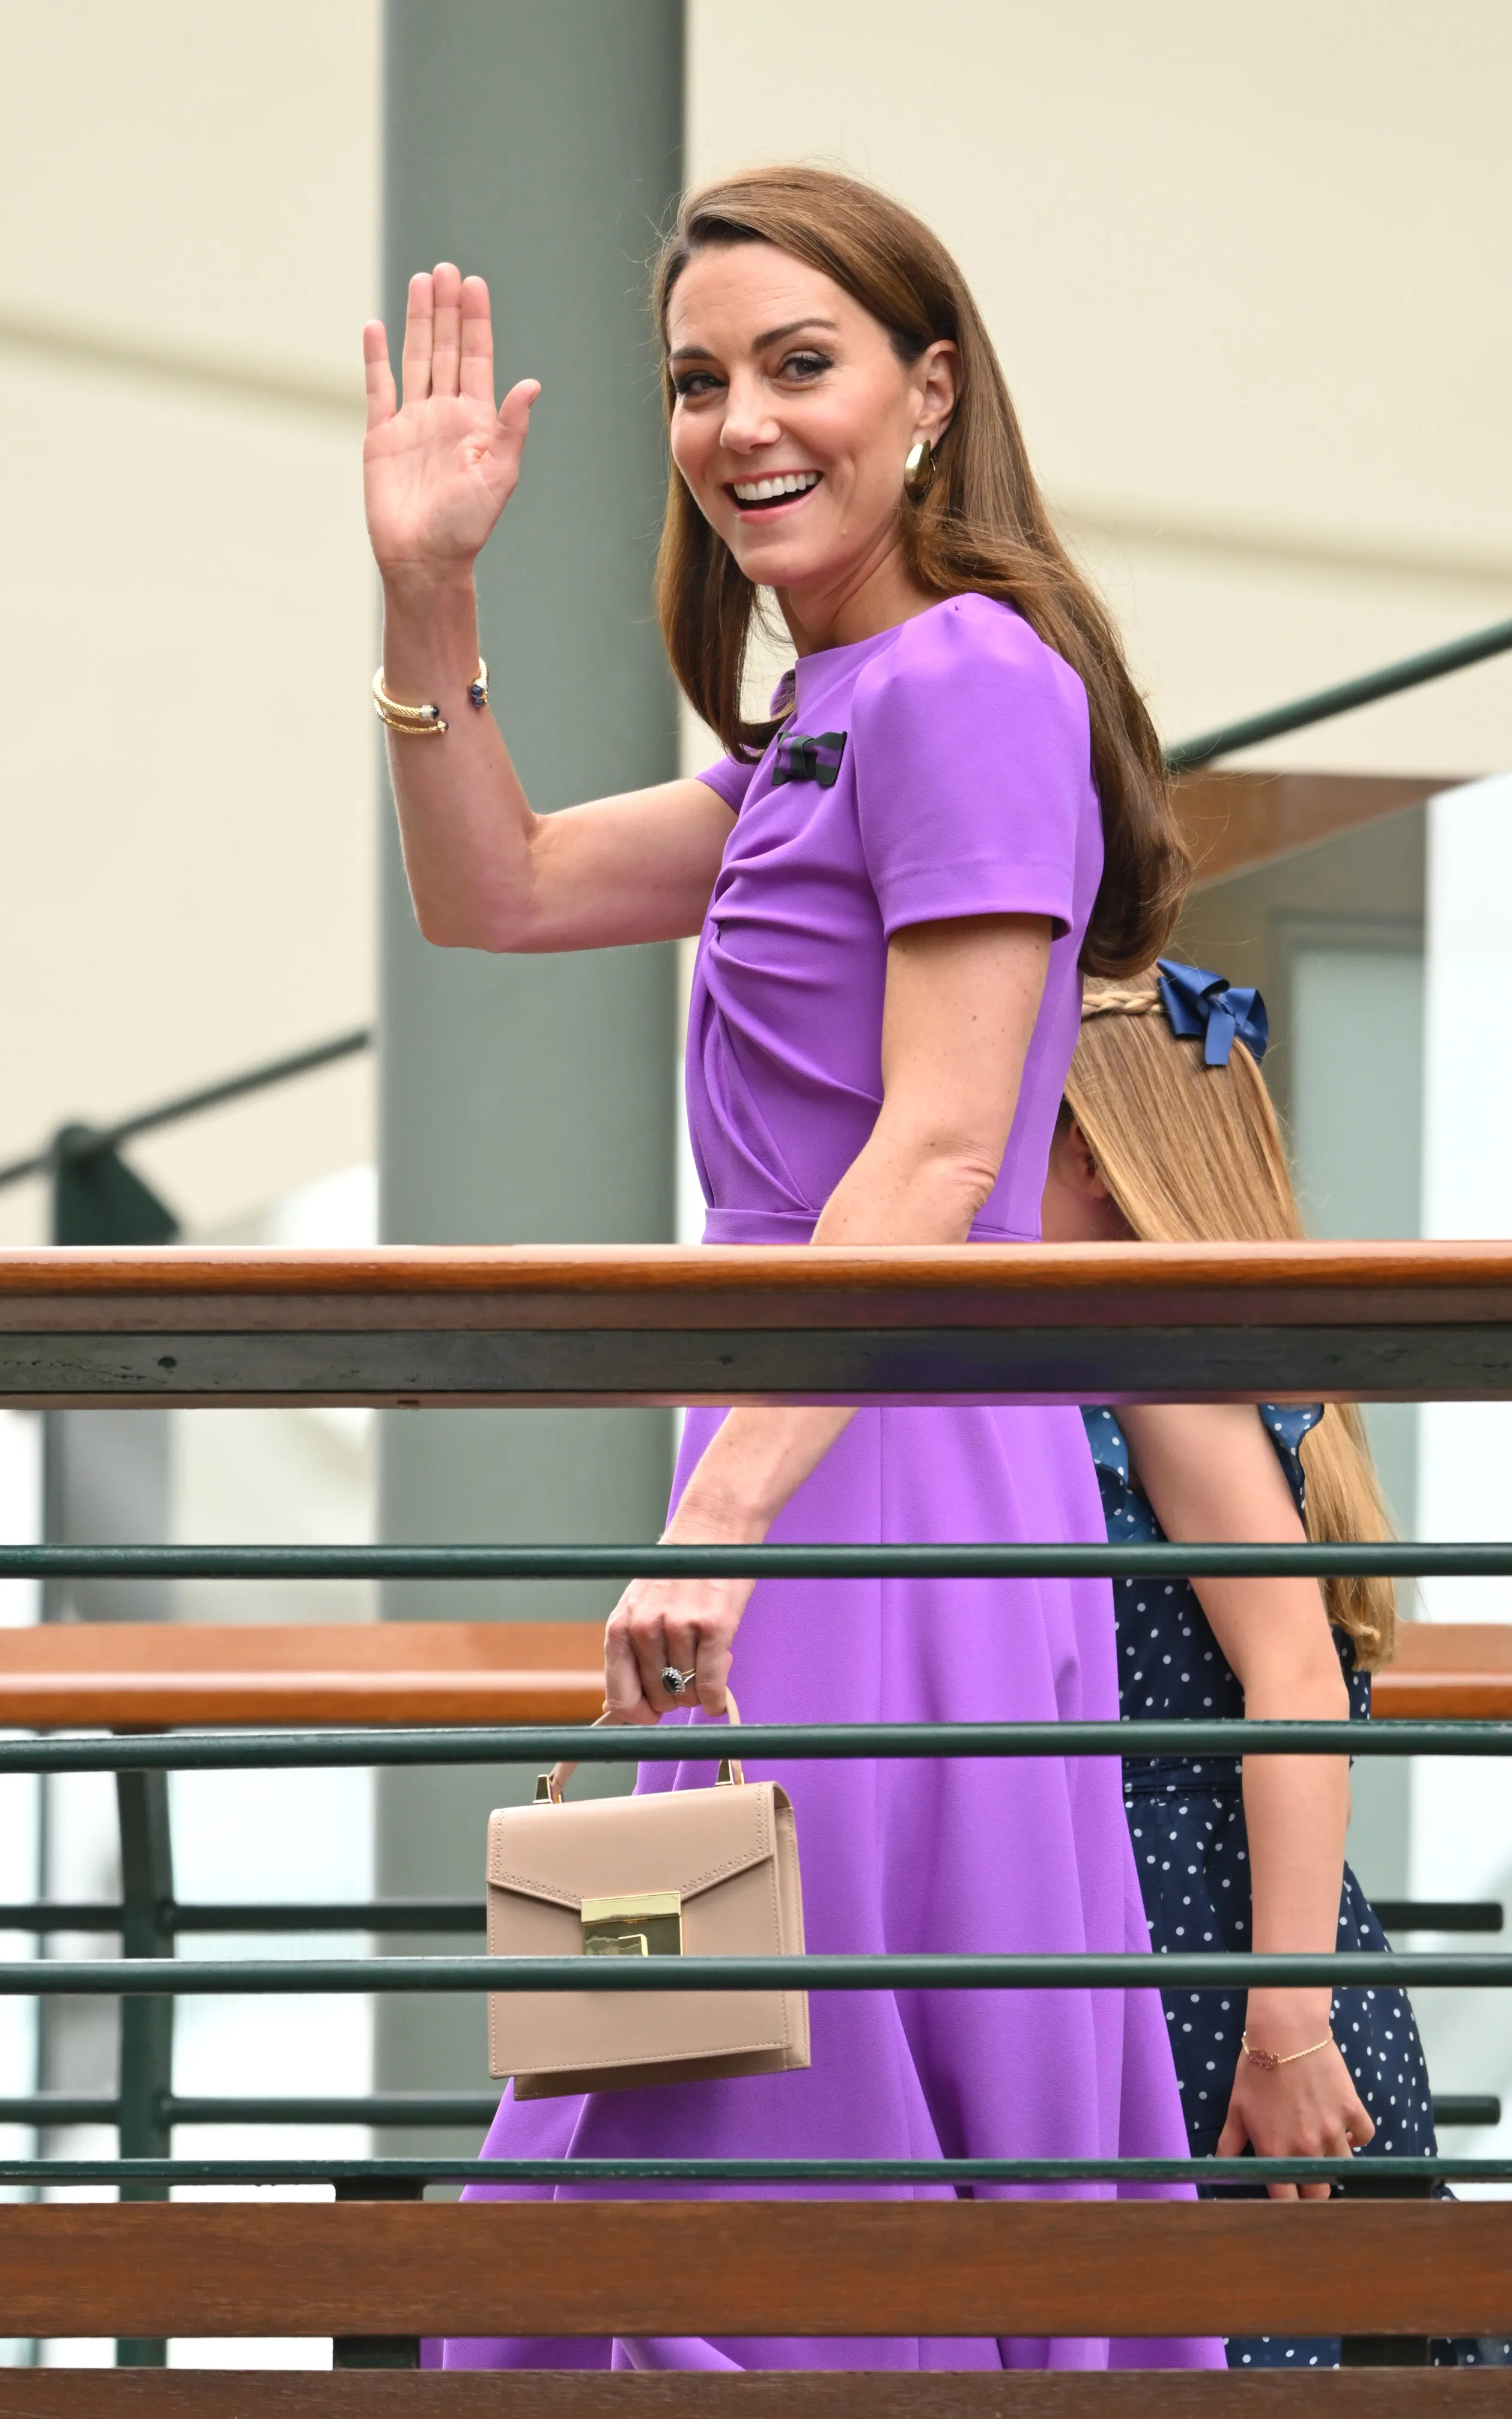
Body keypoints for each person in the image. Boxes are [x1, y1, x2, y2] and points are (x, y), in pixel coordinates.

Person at [362, 163, 1221, 2375]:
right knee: (723, 2009)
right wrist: (426, 595)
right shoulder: (828, 721)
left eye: (798, 363)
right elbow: (504, 887)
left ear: (930, 396)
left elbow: (941, 1142)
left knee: (741, 2024)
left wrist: (724, 1502)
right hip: (826, 1430)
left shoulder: (960, 682)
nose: (741, 420)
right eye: (695, 379)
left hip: (872, 1446)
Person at [1042, 961, 1509, 2373]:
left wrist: (1287, 2026)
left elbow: (1293, 1680)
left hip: (1216, 1975)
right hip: (1223, 1956)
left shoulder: (1155, 1360)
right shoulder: (1199, 1365)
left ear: (1099, 1160)